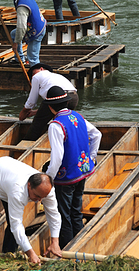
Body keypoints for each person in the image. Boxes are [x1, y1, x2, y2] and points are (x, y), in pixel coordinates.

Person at [0, 156, 62, 264]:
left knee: (12, 230)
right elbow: (16, 225)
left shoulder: (47, 190)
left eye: (42, 197)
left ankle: (9, 256)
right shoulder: (18, 191)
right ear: (29, 185)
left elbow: (54, 214)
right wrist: (31, 253)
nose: (39, 201)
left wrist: (55, 242)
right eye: (36, 196)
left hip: (8, 178)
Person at [44, 86, 102, 248]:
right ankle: (80, 245)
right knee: (76, 211)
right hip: (82, 172)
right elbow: (97, 135)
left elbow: (56, 158)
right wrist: (91, 158)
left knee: (64, 215)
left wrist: (48, 179)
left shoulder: (55, 125)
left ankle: (68, 248)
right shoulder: (77, 116)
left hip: (66, 177)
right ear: (67, 102)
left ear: (50, 106)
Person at [20, 63, 78, 141]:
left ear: (41, 69)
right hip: (73, 97)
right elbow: (51, 109)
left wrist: (24, 111)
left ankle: (28, 142)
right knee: (63, 119)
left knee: (38, 122)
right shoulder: (56, 76)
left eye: (33, 73)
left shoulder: (37, 76)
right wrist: (35, 112)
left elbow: (32, 100)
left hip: (58, 97)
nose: (33, 76)